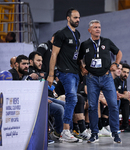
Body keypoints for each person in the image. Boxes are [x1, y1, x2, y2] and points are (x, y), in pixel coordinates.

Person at [78, 19, 122, 143]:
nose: (98, 29)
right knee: (92, 106)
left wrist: (116, 64)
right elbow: (79, 58)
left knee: (113, 105)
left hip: (106, 77)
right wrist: (82, 68)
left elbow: (118, 52)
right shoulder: (85, 44)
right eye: (95, 27)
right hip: (92, 78)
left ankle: (115, 133)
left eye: (99, 27)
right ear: (89, 30)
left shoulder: (106, 42)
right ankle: (94, 133)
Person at [47, 8, 82, 143]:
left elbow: (75, 55)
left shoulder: (77, 34)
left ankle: (63, 131)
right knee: (72, 98)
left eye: (79, 17)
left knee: (73, 100)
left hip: (75, 72)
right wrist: (51, 74)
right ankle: (65, 131)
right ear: (68, 18)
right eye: (75, 18)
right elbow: (54, 54)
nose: (78, 20)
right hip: (65, 72)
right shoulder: (61, 34)